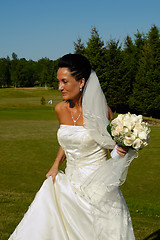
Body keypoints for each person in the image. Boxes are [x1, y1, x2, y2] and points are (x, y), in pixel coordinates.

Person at [9, 54, 137, 240]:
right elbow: (66, 143)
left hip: (98, 190)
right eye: (58, 82)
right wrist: (55, 166)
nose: (60, 87)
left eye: (65, 81)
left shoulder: (101, 111)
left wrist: (123, 148)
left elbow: (111, 150)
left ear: (81, 82)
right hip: (68, 184)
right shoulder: (60, 109)